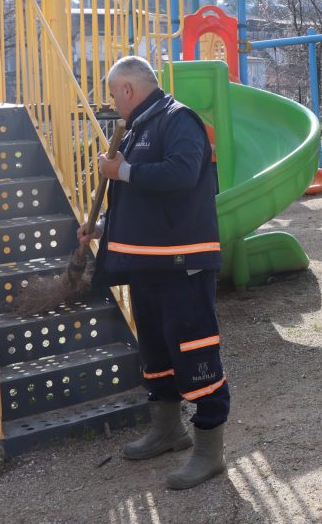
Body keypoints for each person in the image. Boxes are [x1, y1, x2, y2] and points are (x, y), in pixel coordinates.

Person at [78, 55, 230, 490]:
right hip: (146, 265)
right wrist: (102, 227)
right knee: (158, 354)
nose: (113, 103)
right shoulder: (137, 127)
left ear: (128, 89)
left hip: (182, 264)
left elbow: (180, 175)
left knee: (195, 353)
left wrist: (120, 170)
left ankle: (209, 452)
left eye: (113, 94)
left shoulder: (178, 120)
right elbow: (142, 200)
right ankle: (168, 430)